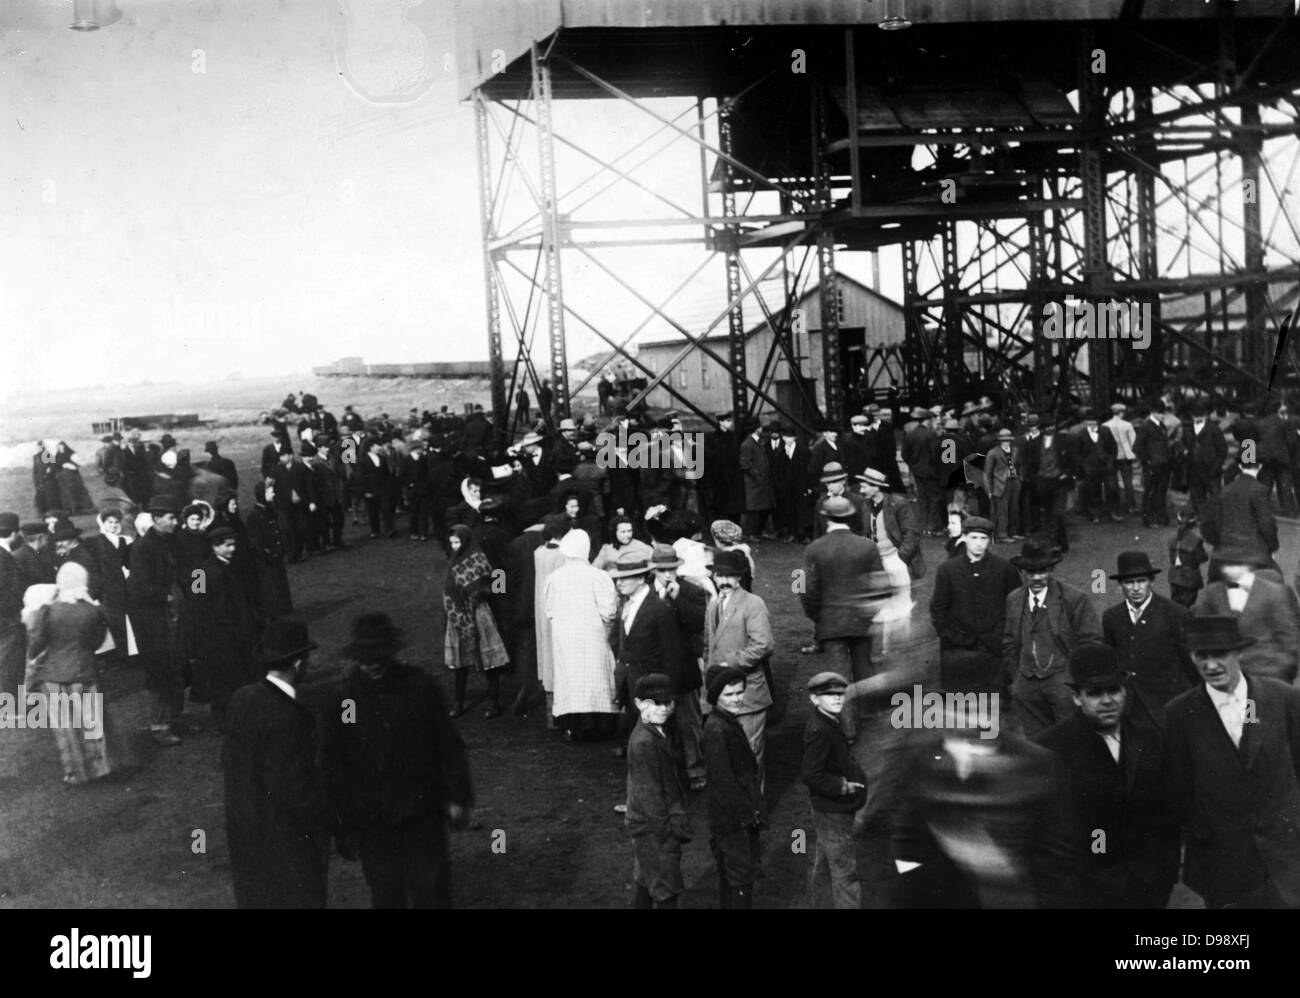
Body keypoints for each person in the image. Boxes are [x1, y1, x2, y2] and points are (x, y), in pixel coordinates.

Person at [322, 613, 474, 908]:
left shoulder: (420, 687)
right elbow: (332, 763)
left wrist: (457, 796)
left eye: (379, 657)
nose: (373, 665)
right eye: (366, 659)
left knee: (431, 889)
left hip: (422, 810)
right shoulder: (344, 699)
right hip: (373, 817)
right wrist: (342, 824)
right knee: (386, 891)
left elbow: (447, 744)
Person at [1163, 615, 1300, 908]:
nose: (1211, 666)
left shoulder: (1283, 698)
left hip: (1287, 857)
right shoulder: (1178, 714)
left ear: (1239, 652)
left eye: (1220, 654)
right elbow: (1179, 786)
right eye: (1202, 656)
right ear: (1191, 656)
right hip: (1225, 863)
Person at [1034, 643, 1180, 908]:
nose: (1107, 700)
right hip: (1086, 893)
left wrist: (1163, 876)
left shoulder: (1148, 737)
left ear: (1125, 692)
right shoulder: (1051, 748)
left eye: (1114, 690)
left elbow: (1167, 813)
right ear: (1077, 697)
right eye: (1095, 693)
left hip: (1146, 888)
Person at [221, 618, 332, 908]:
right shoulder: (289, 718)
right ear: (298, 663)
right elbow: (296, 790)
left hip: (247, 837)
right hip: (287, 844)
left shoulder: (242, 698)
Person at [801, 495, 887, 740]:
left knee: (839, 679)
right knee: (864, 670)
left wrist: (816, 616)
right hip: (861, 621)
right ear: (850, 517)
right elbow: (882, 584)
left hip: (830, 623)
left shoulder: (814, 549)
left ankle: (849, 731)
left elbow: (806, 589)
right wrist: (870, 613)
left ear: (826, 518)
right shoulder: (867, 546)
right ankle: (873, 721)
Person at [24, 563, 116, 785]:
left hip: (53, 675)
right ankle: (100, 767)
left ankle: (75, 772)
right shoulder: (94, 611)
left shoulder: (47, 611)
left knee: (65, 727)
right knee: (91, 721)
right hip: (84, 670)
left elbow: (36, 644)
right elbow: (97, 642)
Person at [1003, 537, 1103, 737]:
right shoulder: (1014, 599)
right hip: (1026, 686)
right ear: (1022, 572)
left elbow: (1092, 642)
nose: (1037, 577)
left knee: (1073, 740)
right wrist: (1017, 680)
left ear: (1051, 570)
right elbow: (1009, 641)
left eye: (1042, 571)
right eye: (1031, 572)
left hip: (1063, 685)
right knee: (1037, 745)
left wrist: (1076, 683)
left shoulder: (1073, 599)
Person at [1100, 551, 1196, 731]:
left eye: (1141, 581)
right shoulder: (1111, 617)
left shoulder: (1175, 614)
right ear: (1120, 585)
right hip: (1129, 709)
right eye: (1129, 582)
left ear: (1151, 581)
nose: (1136, 588)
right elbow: (1112, 661)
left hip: (1167, 706)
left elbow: (1191, 665)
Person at [929, 515, 1021, 697]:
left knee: (993, 702)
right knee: (962, 705)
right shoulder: (948, 570)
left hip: (994, 646)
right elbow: (938, 610)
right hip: (959, 646)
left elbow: (1015, 606)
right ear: (964, 538)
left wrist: (1000, 634)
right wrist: (953, 635)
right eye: (973, 538)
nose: (978, 543)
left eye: (983, 538)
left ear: (989, 540)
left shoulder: (1004, 568)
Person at [705, 548, 775, 778]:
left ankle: (755, 811)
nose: (723, 581)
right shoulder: (713, 605)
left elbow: (763, 645)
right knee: (729, 757)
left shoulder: (753, 603)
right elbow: (709, 645)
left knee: (751, 757)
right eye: (719, 575)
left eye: (729, 576)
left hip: (749, 696)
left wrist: (729, 664)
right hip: (723, 696)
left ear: (739, 578)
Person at [624, 673, 691, 908]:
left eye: (667, 702)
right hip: (654, 828)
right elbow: (649, 795)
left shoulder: (654, 731)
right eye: (654, 704)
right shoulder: (644, 742)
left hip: (646, 824)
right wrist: (666, 833)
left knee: (644, 881)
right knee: (666, 890)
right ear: (639, 704)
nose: (663, 708)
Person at [545, 529, 620, 741]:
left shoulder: (554, 578)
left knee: (572, 678)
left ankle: (576, 726)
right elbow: (609, 611)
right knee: (597, 676)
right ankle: (603, 724)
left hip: (566, 636)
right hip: (594, 635)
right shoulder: (598, 576)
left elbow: (549, 610)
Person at [701, 665, 766, 909]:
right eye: (729, 695)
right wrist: (747, 815)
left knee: (732, 875)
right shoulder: (717, 729)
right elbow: (724, 780)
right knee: (741, 877)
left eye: (740, 692)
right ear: (716, 696)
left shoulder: (726, 722)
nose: (737, 699)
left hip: (733, 816)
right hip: (732, 819)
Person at [801, 671, 868, 909]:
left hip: (827, 810)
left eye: (840, 694)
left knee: (825, 870)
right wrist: (842, 786)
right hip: (834, 812)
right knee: (845, 875)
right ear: (814, 699)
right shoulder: (820, 729)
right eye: (829, 695)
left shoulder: (828, 720)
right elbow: (811, 774)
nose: (837, 699)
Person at [609, 549, 684, 758]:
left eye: (625, 578)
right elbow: (617, 638)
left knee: (658, 742)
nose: (619, 583)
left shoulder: (660, 609)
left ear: (641, 578)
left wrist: (668, 692)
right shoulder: (627, 603)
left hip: (651, 685)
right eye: (618, 578)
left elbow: (672, 655)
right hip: (628, 680)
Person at [1193, 545, 1299, 683]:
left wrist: (1281, 670)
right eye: (1226, 565)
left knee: (1254, 704)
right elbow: (1198, 633)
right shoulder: (1210, 595)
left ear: (1248, 565)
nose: (1230, 570)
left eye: (1236, 564)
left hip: (1267, 673)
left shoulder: (1274, 593)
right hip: (1226, 675)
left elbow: (1288, 638)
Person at [128, 496, 185, 746]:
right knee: (162, 671)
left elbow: (193, 569)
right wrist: (168, 595)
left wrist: (198, 591)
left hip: (175, 616)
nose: (176, 522)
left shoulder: (172, 541)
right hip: (155, 622)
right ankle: (159, 725)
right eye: (171, 518)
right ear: (156, 518)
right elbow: (139, 589)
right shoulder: (143, 548)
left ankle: (173, 719)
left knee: (179, 668)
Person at [650, 544, 708, 789]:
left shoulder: (691, 591)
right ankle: (666, 774)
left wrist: (677, 600)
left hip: (684, 669)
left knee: (690, 724)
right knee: (659, 724)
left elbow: (697, 623)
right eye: (662, 571)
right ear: (654, 571)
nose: (667, 575)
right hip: (656, 668)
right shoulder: (646, 593)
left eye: (671, 570)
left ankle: (696, 771)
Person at [443, 524, 510, 718]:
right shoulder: (453, 561)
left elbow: (494, 584)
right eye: (452, 543)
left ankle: (494, 702)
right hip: (458, 615)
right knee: (460, 663)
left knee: (489, 661)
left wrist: (482, 592)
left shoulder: (479, 559)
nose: (455, 546)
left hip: (479, 613)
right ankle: (458, 702)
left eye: (457, 542)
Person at [1200, 452, 1279, 576]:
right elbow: (1266, 524)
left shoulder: (1225, 491)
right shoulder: (1259, 490)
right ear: (1260, 466)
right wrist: (1273, 547)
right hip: (1253, 555)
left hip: (1224, 554)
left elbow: (1216, 525)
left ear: (1240, 466)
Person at [86, 509, 133, 667]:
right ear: (103, 524)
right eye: (109, 522)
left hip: (121, 584)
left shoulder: (122, 541)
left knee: (124, 620)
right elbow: (92, 566)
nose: (113, 525)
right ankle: (119, 656)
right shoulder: (96, 541)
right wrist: (96, 588)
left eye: (115, 522)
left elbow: (127, 563)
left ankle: (128, 654)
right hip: (106, 587)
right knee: (113, 621)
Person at [244, 482, 293, 621]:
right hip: (268, 558)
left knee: (280, 581)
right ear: (262, 494)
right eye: (270, 491)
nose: (273, 493)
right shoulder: (255, 515)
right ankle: (275, 611)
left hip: (276, 554)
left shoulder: (270, 509)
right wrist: (268, 553)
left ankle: (283, 608)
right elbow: (256, 540)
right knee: (272, 585)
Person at [1181, 400, 1227, 519]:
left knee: (1216, 497)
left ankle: (1217, 520)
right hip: (1194, 470)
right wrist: (1185, 451)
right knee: (1198, 497)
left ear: (1205, 415)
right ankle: (1202, 520)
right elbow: (1183, 443)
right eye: (1195, 416)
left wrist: (1216, 467)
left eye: (1199, 416)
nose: (1197, 418)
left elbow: (1222, 451)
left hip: (1211, 470)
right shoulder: (1188, 428)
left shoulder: (1214, 429)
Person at [1133, 401, 1174, 527]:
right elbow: (1137, 447)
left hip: (1163, 465)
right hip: (1152, 465)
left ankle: (1161, 516)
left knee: (1161, 492)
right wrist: (1148, 461)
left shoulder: (1161, 426)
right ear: (1153, 413)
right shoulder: (1146, 426)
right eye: (1159, 413)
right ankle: (1148, 518)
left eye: (1163, 413)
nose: (1162, 415)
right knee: (1150, 492)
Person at [0, 513, 26, 698]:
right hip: (8, 619)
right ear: (14, 533)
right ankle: (11, 705)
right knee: (9, 661)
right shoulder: (4, 557)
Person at [984, 428, 1024, 542]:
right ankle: (1002, 534)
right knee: (1002, 510)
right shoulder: (993, 453)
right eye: (1003, 440)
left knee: (1014, 508)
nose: (1006, 442)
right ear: (999, 441)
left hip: (1014, 482)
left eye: (1007, 440)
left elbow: (1020, 466)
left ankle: (1013, 532)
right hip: (1000, 484)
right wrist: (989, 490)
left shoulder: (1015, 450)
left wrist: (1020, 478)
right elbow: (987, 473)